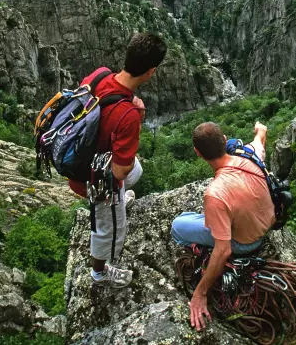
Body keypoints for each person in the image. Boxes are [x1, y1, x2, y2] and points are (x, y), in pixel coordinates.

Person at [69, 32, 167, 288]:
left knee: (138, 169)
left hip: (79, 157)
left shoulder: (99, 75)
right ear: (151, 72)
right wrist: (135, 119)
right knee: (109, 229)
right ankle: (99, 273)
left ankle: (120, 199)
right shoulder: (128, 116)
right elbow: (120, 171)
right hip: (93, 180)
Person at [171, 120, 275, 331]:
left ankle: (204, 246)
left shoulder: (215, 194)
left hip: (245, 244)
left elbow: (224, 250)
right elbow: (261, 137)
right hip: (264, 225)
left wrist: (200, 293)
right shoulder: (250, 155)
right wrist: (259, 128)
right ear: (225, 140)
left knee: (179, 225)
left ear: (198, 153)